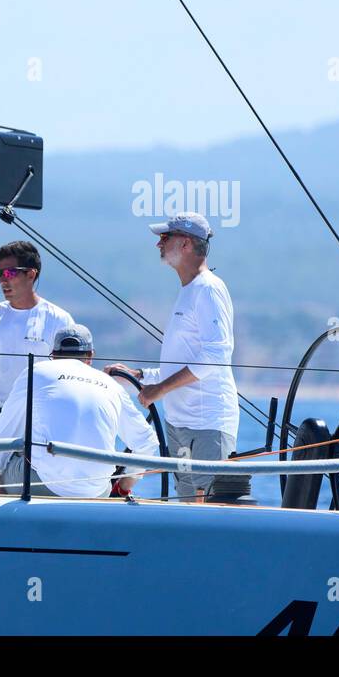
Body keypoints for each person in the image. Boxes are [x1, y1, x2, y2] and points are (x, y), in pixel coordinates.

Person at [105, 212, 238, 500]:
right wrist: (139, 376)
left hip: (207, 425)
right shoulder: (189, 291)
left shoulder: (208, 289)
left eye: (165, 238)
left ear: (187, 244)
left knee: (207, 510)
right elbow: (183, 361)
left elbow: (216, 355)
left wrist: (159, 390)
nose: (158, 245)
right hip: (181, 424)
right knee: (189, 507)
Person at [0, 325, 159, 497]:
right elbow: (147, 443)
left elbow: (4, 431)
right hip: (96, 492)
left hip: (40, 484)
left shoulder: (37, 372)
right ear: (90, 356)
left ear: (53, 355)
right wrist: (122, 489)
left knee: (8, 462)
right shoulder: (112, 384)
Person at [0, 240, 74, 490]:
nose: (2, 280)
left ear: (31, 274)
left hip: (34, 436)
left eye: (9, 273)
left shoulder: (59, 319)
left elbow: (69, 377)